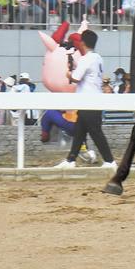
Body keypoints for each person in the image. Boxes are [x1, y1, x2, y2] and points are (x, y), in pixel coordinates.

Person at [55, 30, 116, 169]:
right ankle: (71, 160)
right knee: (79, 131)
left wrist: (69, 74)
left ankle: (110, 161)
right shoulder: (98, 58)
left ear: (82, 42)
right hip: (92, 99)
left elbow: (76, 78)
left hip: (88, 100)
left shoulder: (86, 59)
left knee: (95, 132)